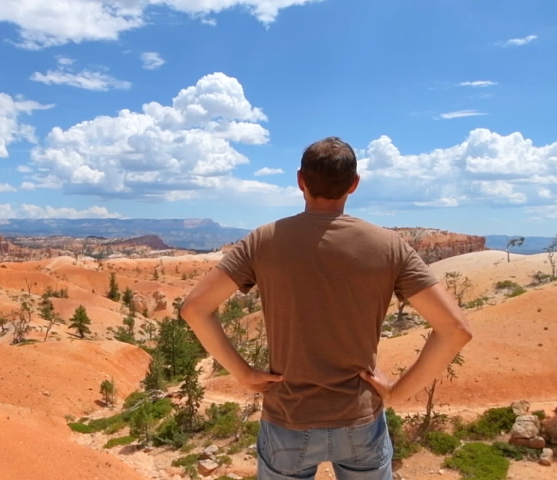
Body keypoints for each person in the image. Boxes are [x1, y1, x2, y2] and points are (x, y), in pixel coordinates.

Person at [180, 136, 473, 480]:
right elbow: (456, 330)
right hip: (359, 420)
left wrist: (244, 374)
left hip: (288, 418)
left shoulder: (263, 240)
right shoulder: (390, 246)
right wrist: (397, 391)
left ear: (300, 181)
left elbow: (194, 308)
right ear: (354, 184)